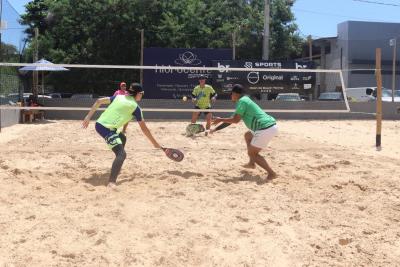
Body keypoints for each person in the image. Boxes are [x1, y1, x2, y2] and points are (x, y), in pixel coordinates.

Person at [82, 83, 162, 188]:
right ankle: (112, 182)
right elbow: (144, 129)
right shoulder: (135, 108)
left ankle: (117, 164)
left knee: (122, 138)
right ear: (138, 94)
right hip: (106, 128)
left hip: (100, 123)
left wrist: (88, 117)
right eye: (142, 94)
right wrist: (155, 143)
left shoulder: (118, 97)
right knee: (122, 154)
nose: (142, 96)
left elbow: (99, 101)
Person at [211, 84, 278, 181]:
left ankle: (272, 173)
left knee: (253, 154)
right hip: (270, 125)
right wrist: (215, 129)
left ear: (234, 94)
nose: (231, 96)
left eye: (231, 94)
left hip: (265, 128)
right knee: (248, 135)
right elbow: (231, 120)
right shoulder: (245, 100)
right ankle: (251, 163)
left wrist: (220, 119)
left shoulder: (242, 102)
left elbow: (235, 120)